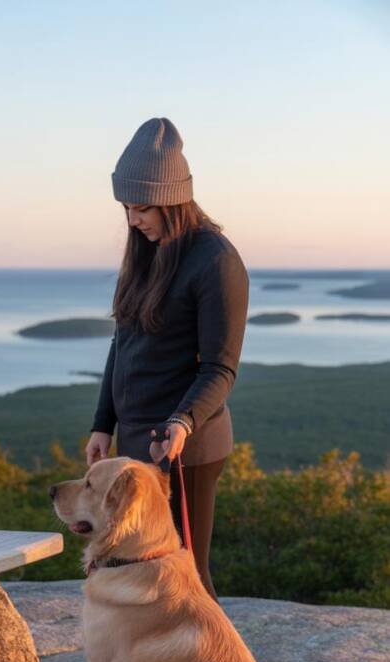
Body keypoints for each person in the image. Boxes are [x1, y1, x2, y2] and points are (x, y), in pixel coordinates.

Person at [86, 116, 249, 602]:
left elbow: (220, 367)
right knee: (146, 576)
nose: (133, 220)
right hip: (137, 445)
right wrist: (102, 423)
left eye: (142, 208)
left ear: (173, 199)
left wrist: (182, 420)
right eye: (126, 209)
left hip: (187, 448)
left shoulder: (216, 261)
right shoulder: (143, 254)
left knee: (187, 578)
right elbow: (123, 343)